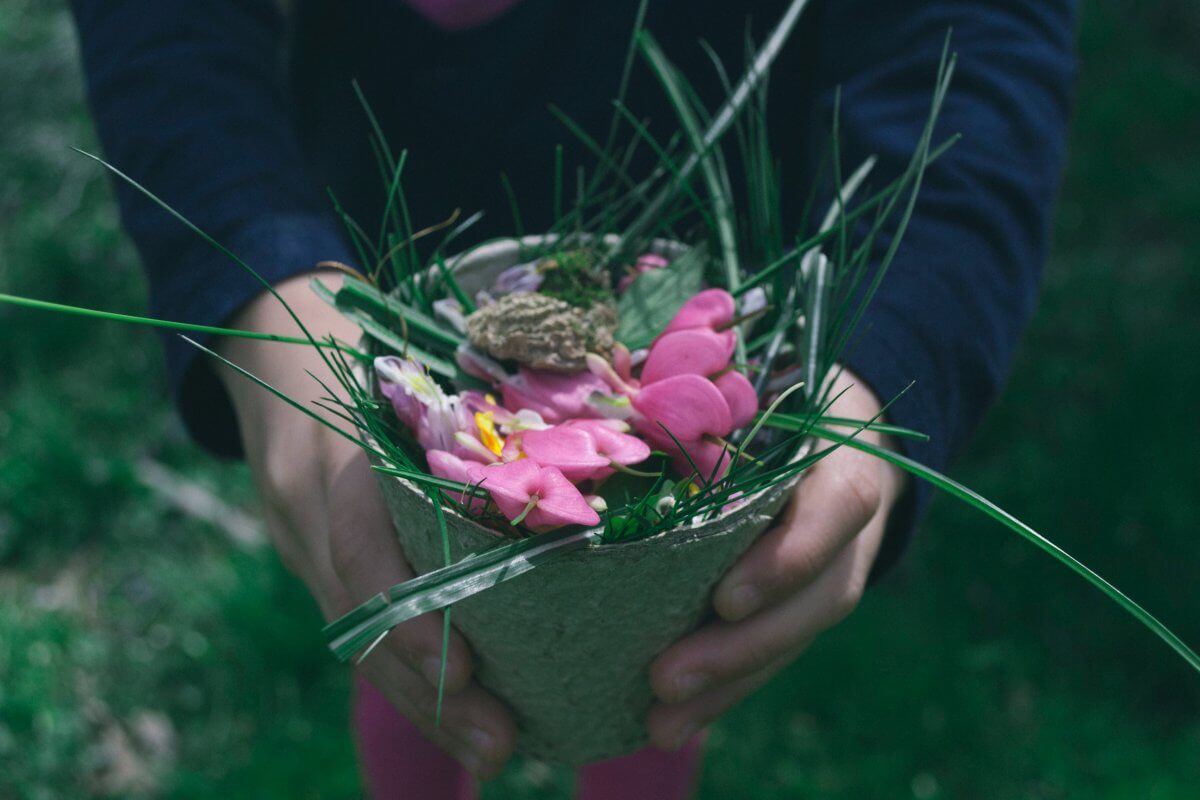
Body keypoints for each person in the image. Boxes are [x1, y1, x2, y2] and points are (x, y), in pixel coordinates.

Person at [69, 0, 1076, 796]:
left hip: (678, 259)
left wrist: (889, 349)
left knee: (662, 675)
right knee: (407, 630)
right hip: (384, 269)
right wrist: (264, 281)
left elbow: (971, 42)